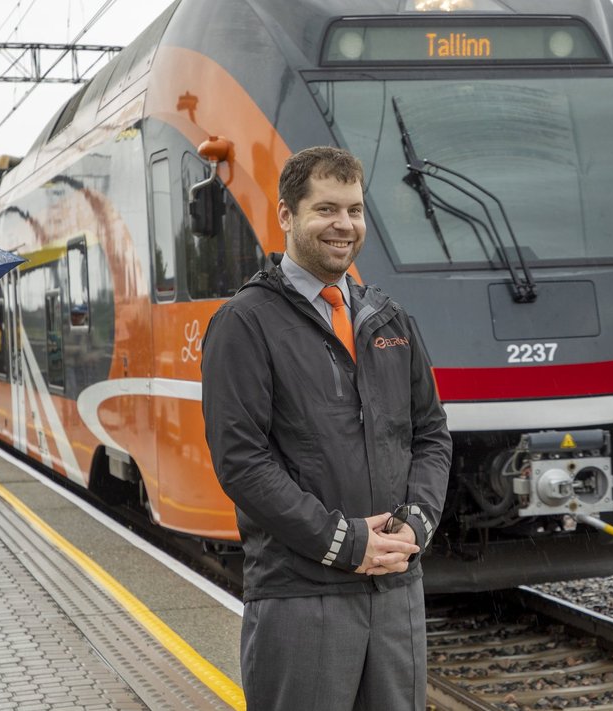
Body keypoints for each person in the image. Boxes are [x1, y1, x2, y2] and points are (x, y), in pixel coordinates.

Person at [201, 146, 451, 710]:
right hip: (301, 596)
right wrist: (344, 541)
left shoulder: (390, 319)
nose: (344, 225)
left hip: (395, 594)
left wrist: (418, 522)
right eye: (326, 209)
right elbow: (241, 462)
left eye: (356, 210)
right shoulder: (244, 323)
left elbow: (431, 433)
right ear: (287, 216)